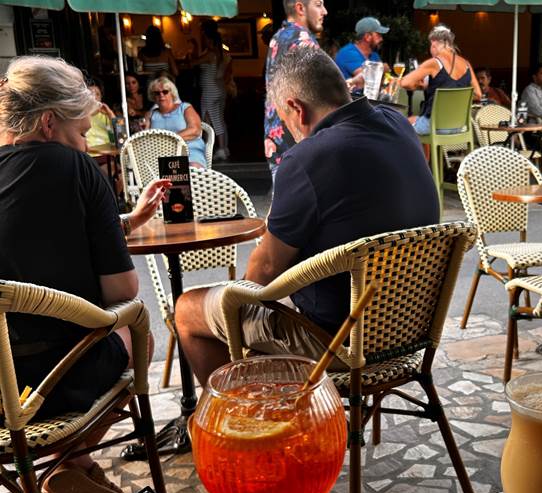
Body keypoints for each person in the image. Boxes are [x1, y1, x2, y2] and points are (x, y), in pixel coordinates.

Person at [174, 47, 439, 385]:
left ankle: (238, 428)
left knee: (188, 309)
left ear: (297, 109)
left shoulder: (307, 158)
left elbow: (262, 275)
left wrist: (237, 297)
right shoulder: (399, 126)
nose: (290, 133)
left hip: (336, 343)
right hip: (407, 328)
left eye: (285, 124)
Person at [0, 56, 168, 493]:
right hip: (50, 388)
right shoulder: (73, 167)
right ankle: (63, 469)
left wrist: (125, 225)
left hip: (2, 398)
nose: (85, 142)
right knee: (139, 330)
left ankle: (78, 469)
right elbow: (122, 290)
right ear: (49, 122)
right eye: (81, 131)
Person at [264, 0, 326, 180]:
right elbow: (318, 93)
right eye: (318, 4)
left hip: (277, 137)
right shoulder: (302, 40)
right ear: (300, 8)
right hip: (299, 141)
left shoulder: (280, 36)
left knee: (286, 200)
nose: (324, 11)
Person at [400, 24, 481, 135]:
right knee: (417, 120)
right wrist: (454, 96)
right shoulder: (466, 64)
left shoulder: (434, 62)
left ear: (433, 42)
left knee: (401, 123)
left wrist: (417, 86)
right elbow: (478, 94)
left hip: (434, 126)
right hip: (459, 126)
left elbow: (405, 83)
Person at [146, 76, 207, 168]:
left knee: (191, 168)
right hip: (161, 154)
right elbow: (145, 137)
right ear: (153, 96)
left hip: (188, 149)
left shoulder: (185, 108)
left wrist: (169, 139)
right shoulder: (151, 114)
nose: (161, 95)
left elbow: (195, 130)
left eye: (165, 92)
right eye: (157, 93)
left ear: (172, 93)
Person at [194, 20, 231, 161]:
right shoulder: (221, 52)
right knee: (218, 120)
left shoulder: (210, 54)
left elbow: (193, 62)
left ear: (209, 40)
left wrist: (195, 46)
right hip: (219, 89)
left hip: (210, 90)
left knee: (211, 121)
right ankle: (223, 148)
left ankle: (217, 150)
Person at [85, 81, 115, 147]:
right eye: (91, 94)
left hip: (107, 154)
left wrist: (111, 114)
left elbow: (120, 135)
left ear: (101, 97)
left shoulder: (106, 115)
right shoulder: (80, 116)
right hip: (88, 155)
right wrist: (89, 113)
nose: (94, 98)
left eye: (97, 94)